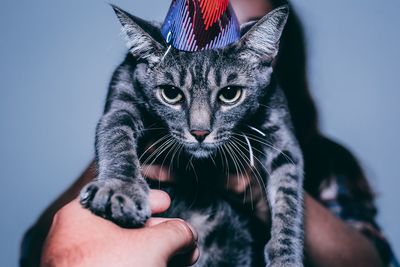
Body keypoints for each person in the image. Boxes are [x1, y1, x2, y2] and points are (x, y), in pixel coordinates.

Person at [21, 0, 398, 266]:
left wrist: (258, 190)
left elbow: (377, 261)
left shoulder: (328, 161)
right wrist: (121, 164)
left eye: (228, 40)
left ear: (270, 55)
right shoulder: (144, 105)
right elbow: (37, 252)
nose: (200, 127)